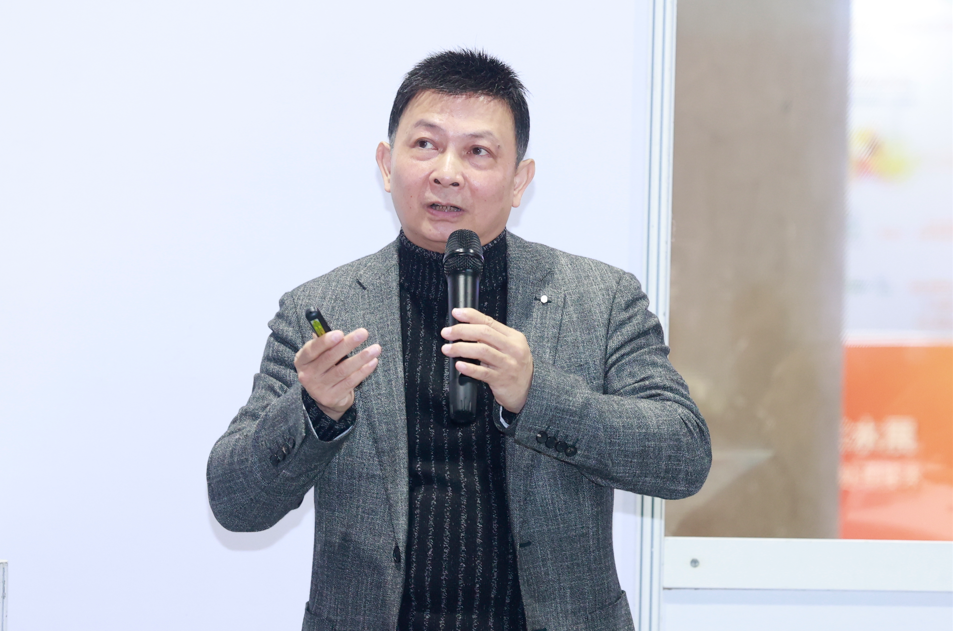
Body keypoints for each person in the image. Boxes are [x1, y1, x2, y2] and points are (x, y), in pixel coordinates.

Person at [207, 49, 711, 631]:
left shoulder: (599, 300)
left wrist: (537, 394)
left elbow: (682, 457)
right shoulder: (321, 311)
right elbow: (234, 501)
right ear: (386, 164)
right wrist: (313, 410)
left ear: (519, 181)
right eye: (425, 144)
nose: (447, 172)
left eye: (477, 152)